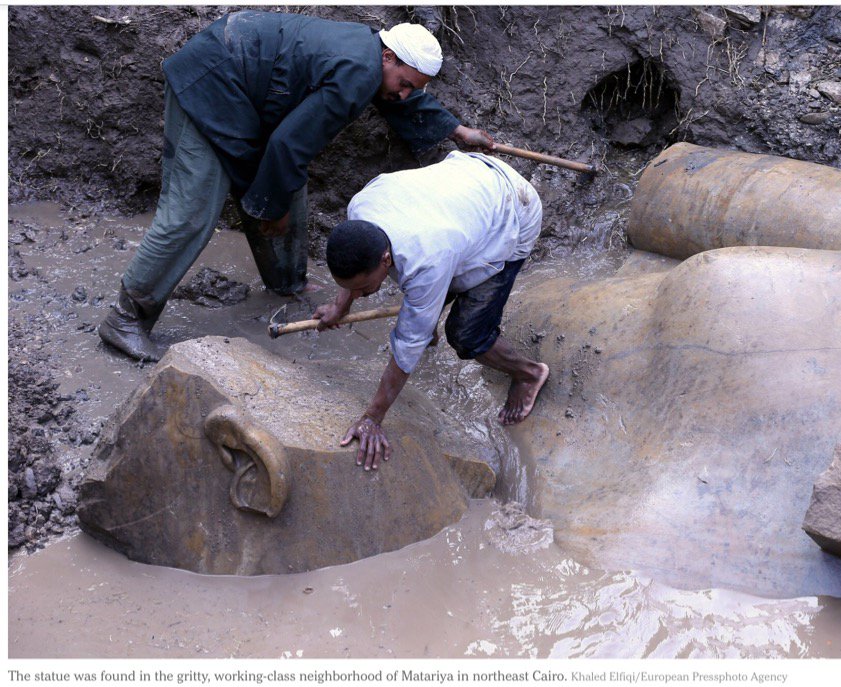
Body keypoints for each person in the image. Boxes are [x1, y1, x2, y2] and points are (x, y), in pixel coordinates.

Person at [99, 10, 494, 362]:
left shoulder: (371, 53)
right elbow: (288, 144)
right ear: (388, 57)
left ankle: (287, 284)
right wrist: (275, 208)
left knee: (285, 184)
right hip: (210, 82)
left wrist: (457, 131)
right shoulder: (359, 72)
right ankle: (125, 319)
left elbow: (396, 99)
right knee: (192, 213)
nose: (404, 94)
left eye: (413, 88)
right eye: (405, 82)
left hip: (245, 91)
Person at [315, 151, 549, 471]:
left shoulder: (426, 257)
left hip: (513, 209)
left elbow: (406, 345)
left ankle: (529, 373)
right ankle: (428, 319)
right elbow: (356, 260)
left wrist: (373, 417)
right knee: (425, 299)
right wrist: (340, 305)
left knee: (466, 335)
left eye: (363, 289)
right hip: (466, 183)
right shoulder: (360, 210)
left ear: (385, 259)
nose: (359, 295)